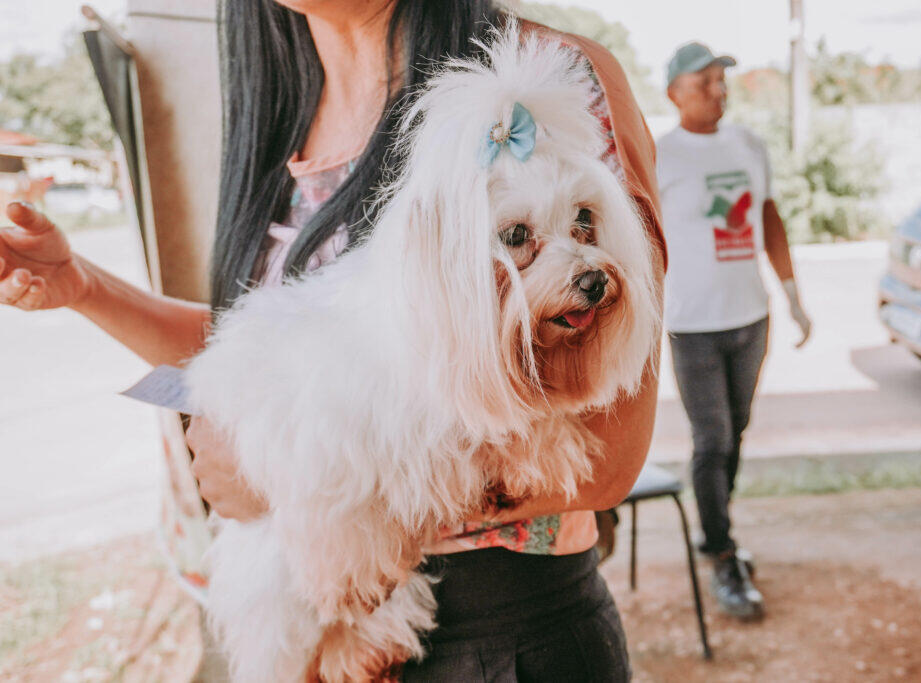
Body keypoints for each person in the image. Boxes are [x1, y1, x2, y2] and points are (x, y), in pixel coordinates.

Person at [0, 1, 666, 679]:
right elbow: (269, 351)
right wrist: (81, 286)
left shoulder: (551, 84)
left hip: (501, 639)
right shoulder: (282, 106)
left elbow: (606, 462)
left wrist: (289, 475)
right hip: (322, 640)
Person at [655, 42, 811, 621]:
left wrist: (792, 296)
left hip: (749, 316)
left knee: (736, 432)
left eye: (721, 80)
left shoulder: (748, 144)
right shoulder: (657, 154)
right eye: (704, 82)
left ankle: (715, 529)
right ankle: (722, 553)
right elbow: (638, 236)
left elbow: (768, 217)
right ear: (674, 93)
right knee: (713, 439)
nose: (717, 90)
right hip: (692, 323)